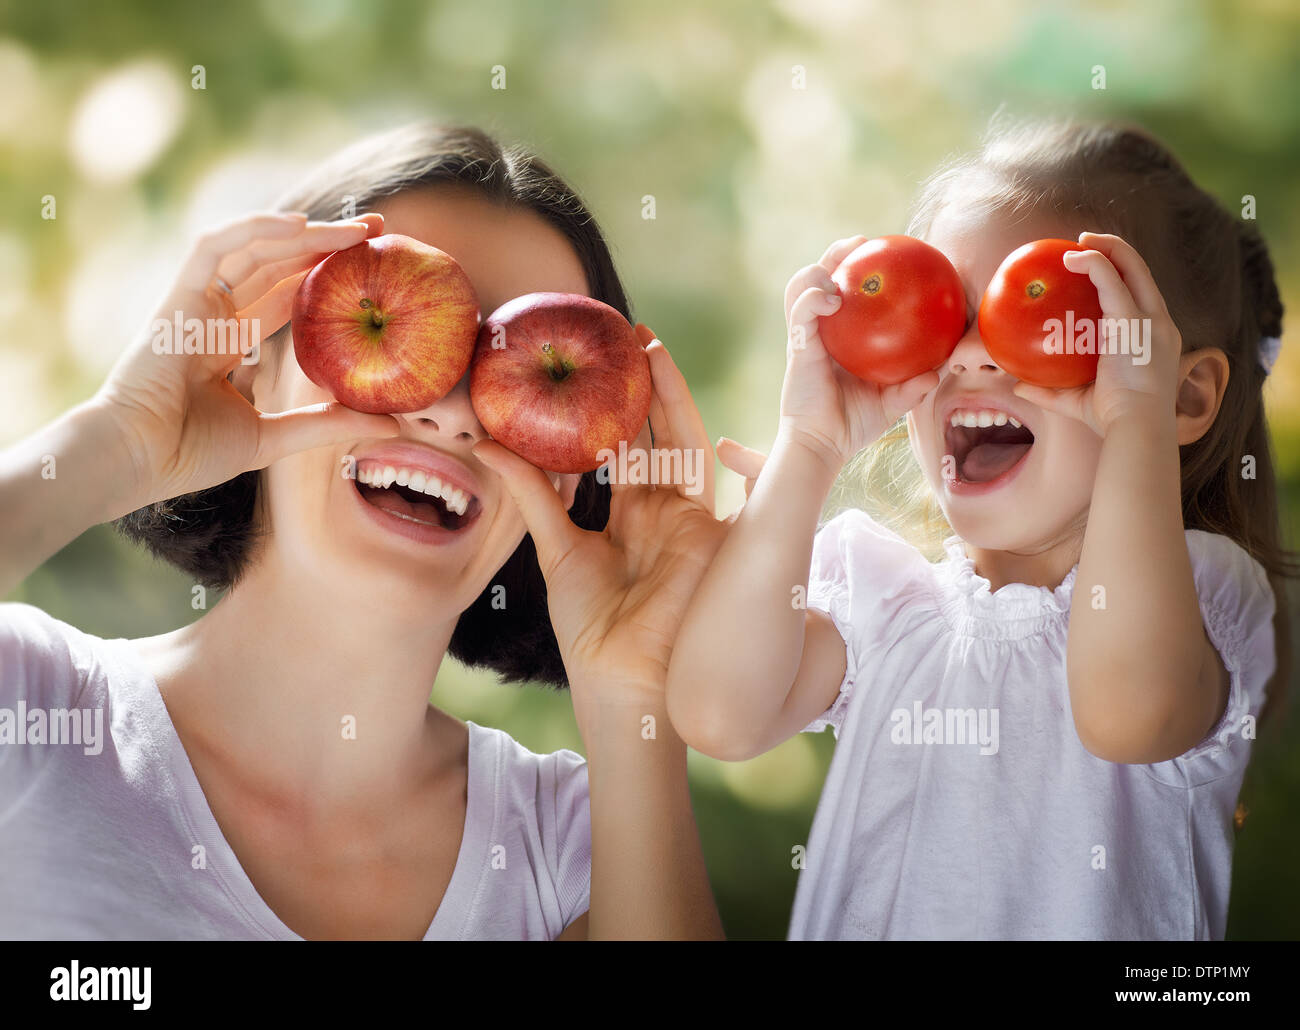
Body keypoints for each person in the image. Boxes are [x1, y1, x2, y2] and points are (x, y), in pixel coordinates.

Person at [0, 122, 727, 940]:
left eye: (524, 372)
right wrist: (119, 443)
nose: (449, 411)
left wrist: (637, 692)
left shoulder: (578, 849)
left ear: (571, 472)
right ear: (249, 363)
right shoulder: (33, 712)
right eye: (396, 322)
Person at [665, 118, 1293, 940]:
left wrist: (1134, 421)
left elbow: (1128, 713)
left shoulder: (1200, 595)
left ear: (1184, 397)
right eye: (942, 317)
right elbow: (718, 715)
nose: (970, 358)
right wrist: (809, 446)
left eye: (1040, 317)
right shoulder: (887, 611)